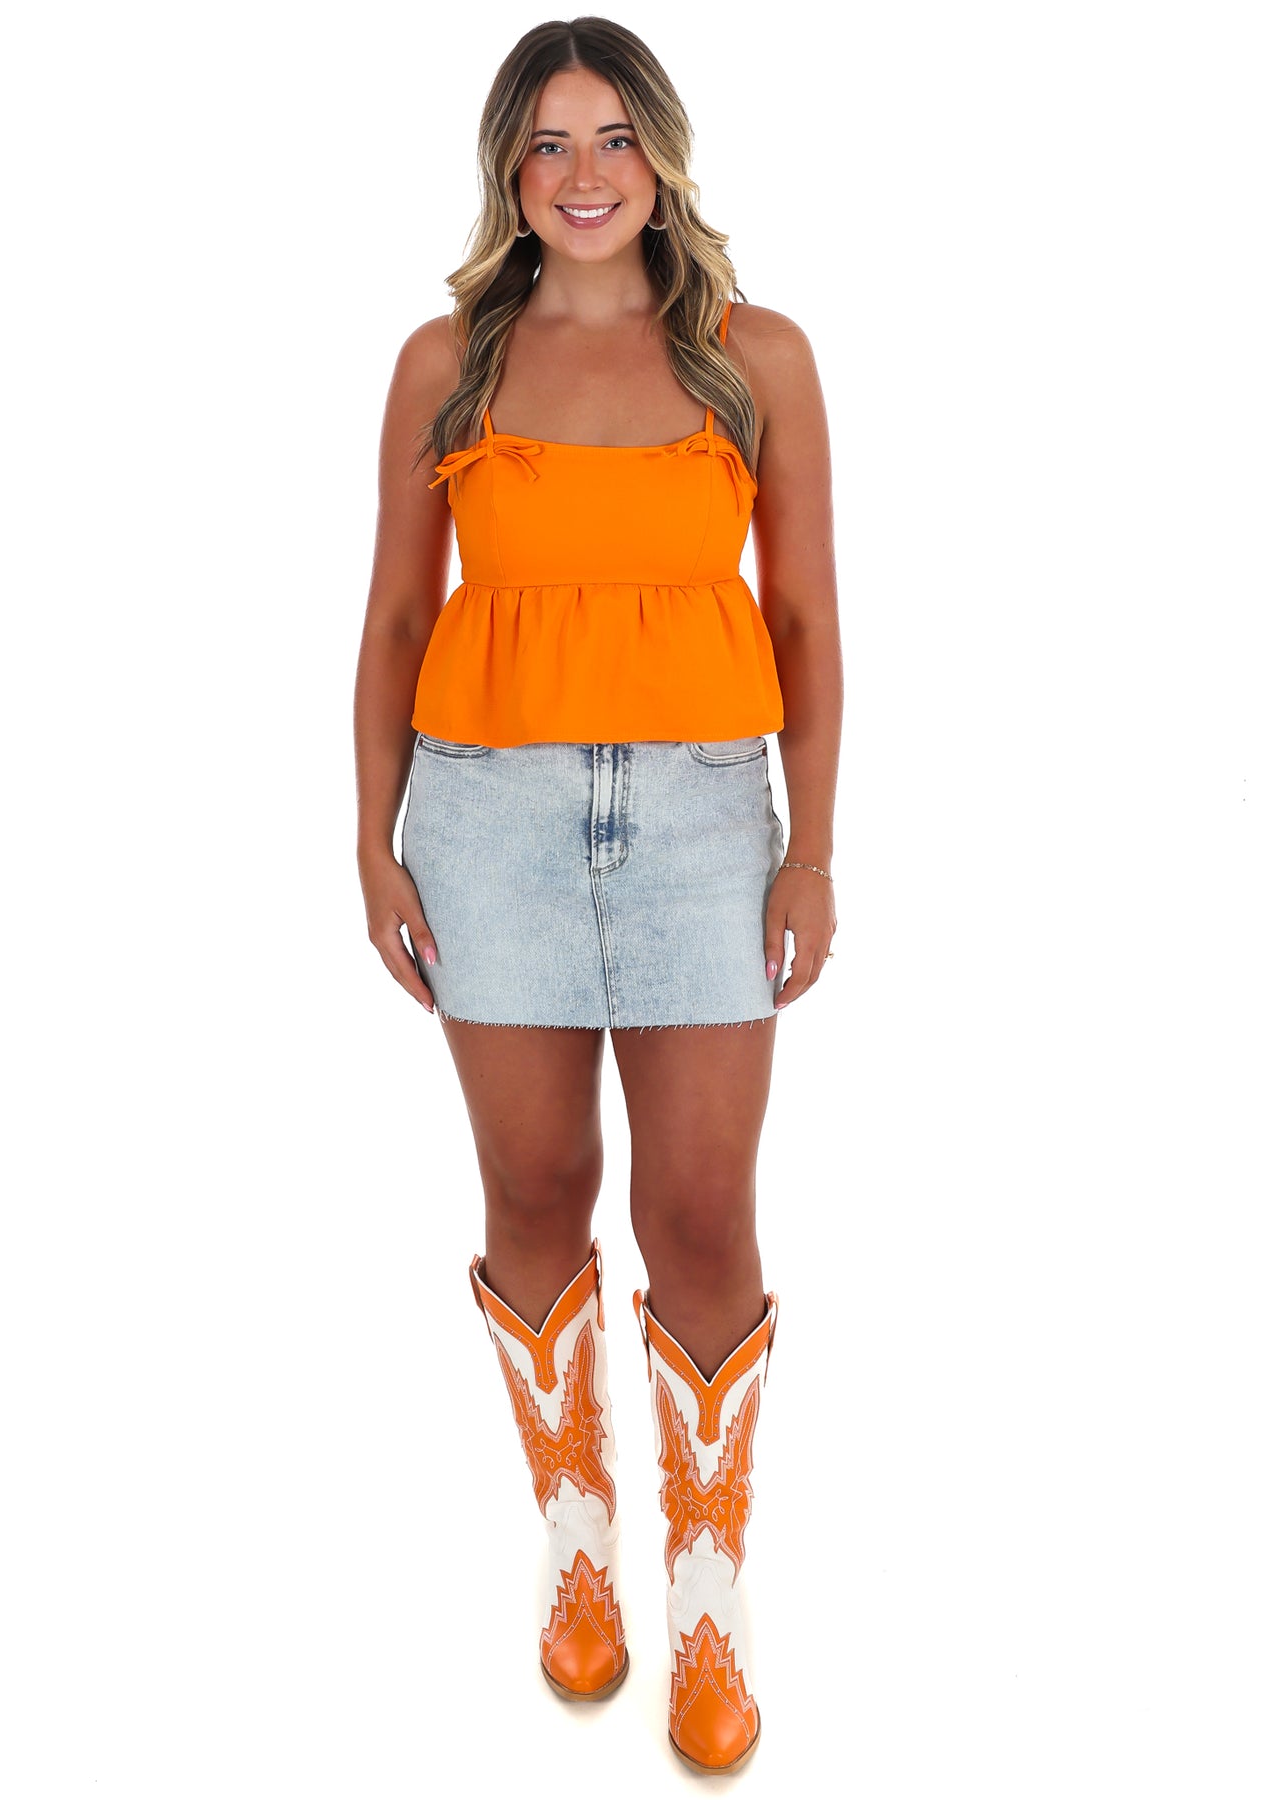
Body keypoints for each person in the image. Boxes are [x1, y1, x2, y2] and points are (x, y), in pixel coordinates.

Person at [353, 18, 841, 1776]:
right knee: (537, 1185)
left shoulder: (754, 357)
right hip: (486, 816)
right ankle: (577, 1549)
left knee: (701, 1210)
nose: (581, 174)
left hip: (706, 819)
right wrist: (374, 838)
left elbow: (805, 622)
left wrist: (810, 846)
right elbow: (397, 619)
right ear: (508, 165)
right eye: (548, 141)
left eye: (613, 138)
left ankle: (706, 1596)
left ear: (661, 159)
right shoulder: (445, 364)